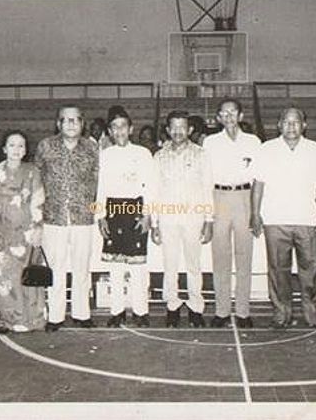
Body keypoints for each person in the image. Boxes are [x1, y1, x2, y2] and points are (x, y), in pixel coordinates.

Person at [250, 106, 316, 330]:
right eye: (286, 122)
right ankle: (281, 314)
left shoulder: (315, 149)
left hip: (307, 219)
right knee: (278, 270)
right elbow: (258, 185)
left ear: (304, 125)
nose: (291, 126)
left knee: (311, 271)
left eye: (296, 122)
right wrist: (255, 214)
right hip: (275, 219)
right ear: (279, 125)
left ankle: (313, 315)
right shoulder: (266, 149)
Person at [35, 105, 99, 331]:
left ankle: (82, 314)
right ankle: (55, 316)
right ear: (58, 124)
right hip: (53, 217)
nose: (71, 124)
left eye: (75, 120)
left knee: (82, 268)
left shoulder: (92, 149)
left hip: (83, 217)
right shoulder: (45, 146)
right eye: (66, 120)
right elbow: (36, 179)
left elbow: (98, 182)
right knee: (56, 269)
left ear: (82, 123)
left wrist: (96, 211)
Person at [202, 99, 262, 328]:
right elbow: (206, 179)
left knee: (245, 256)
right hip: (219, 198)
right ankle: (222, 310)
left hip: (245, 198)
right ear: (218, 118)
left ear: (241, 115)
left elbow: (258, 178)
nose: (228, 117)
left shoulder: (253, 142)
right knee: (220, 257)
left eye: (232, 112)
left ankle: (244, 312)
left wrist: (256, 210)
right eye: (223, 113)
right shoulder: (210, 142)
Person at [96, 106, 157, 327]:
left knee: (138, 266)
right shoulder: (105, 155)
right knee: (116, 266)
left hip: (135, 210)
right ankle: (117, 310)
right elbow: (100, 187)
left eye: (123, 126)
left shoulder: (143, 154)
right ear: (110, 131)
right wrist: (101, 215)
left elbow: (150, 186)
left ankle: (141, 311)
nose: (119, 131)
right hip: (112, 210)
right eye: (114, 127)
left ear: (130, 129)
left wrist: (148, 214)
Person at [152, 110, 214, 328]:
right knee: (170, 264)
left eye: (182, 127)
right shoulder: (159, 156)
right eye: (173, 127)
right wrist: (154, 222)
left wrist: (208, 220)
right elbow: (155, 191)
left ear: (190, 130)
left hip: (193, 217)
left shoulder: (201, 154)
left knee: (193, 264)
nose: (178, 131)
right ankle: (172, 307)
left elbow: (208, 189)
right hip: (167, 217)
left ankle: (196, 308)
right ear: (168, 130)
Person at [0, 131, 47, 334]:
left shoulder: (32, 171)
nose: (16, 150)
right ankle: (4, 320)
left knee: (26, 277)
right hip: (1, 232)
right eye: (12, 145)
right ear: (4, 148)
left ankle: (31, 320)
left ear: (26, 150)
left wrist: (38, 228)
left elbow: (39, 201)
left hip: (26, 233)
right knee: (3, 279)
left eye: (21, 146)